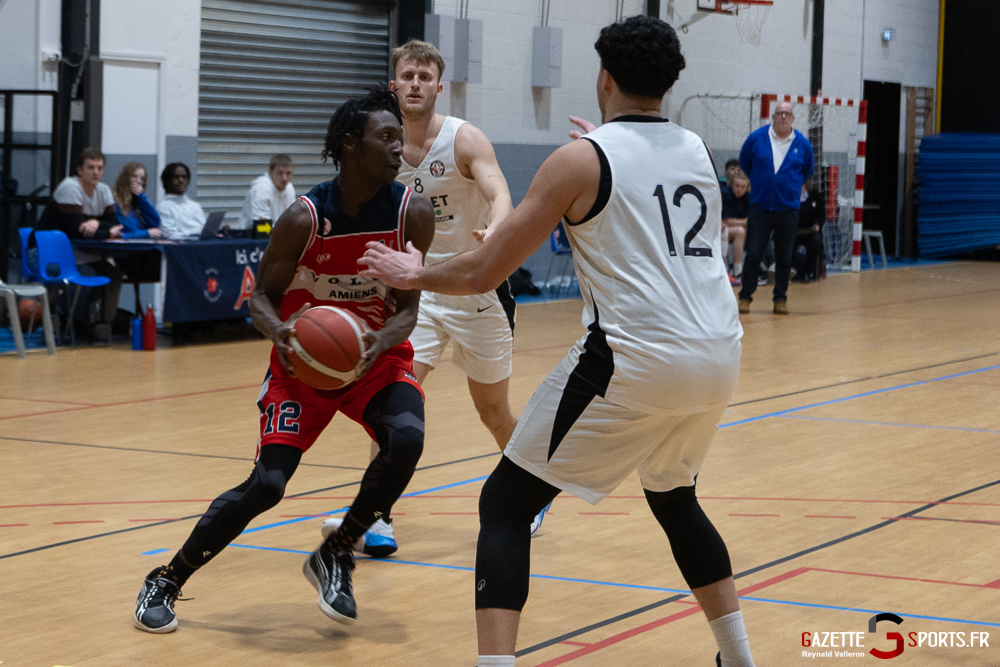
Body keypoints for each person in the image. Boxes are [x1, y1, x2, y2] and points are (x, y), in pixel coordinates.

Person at [361, 16, 755, 667]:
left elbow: (485, 271)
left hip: (636, 357)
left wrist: (414, 273)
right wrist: (597, 156)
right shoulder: (693, 149)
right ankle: (738, 658)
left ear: (604, 79)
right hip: (719, 353)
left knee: (504, 504)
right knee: (674, 496)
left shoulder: (579, 160)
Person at [132, 87, 435, 633]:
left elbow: (409, 311)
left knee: (407, 440)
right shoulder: (304, 218)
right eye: (387, 137)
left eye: (401, 138)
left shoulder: (412, 212)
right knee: (267, 486)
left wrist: (378, 340)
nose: (400, 148)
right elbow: (261, 300)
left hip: (376, 358)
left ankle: (337, 551)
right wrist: (284, 335)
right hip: (303, 368)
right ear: (350, 145)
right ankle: (167, 578)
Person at [344, 39, 535, 555]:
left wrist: (496, 228)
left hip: (475, 287)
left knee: (493, 412)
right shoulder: (379, 143)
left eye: (424, 77)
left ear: (438, 87)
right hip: (417, 291)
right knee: (391, 403)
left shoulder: (464, 139)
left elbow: (499, 192)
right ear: (393, 84)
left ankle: (531, 491)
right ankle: (377, 515)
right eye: (407, 76)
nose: (415, 84)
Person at [736, 101, 814, 315]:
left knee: (784, 257)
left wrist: (787, 187)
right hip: (760, 208)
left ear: (793, 118)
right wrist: (762, 181)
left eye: (787, 113)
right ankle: (745, 297)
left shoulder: (803, 144)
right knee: (753, 254)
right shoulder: (756, 138)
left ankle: (780, 299)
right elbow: (745, 162)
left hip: (788, 210)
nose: (783, 116)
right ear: (773, 116)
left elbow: (807, 172)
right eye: (779, 113)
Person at [51, 147, 124, 340]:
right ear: (80, 170)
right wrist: (107, 231)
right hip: (49, 252)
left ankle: (101, 324)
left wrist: (97, 223)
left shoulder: (103, 190)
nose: (96, 172)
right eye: (91, 167)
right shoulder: (70, 187)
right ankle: (74, 320)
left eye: (100, 168)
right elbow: (76, 231)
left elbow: (116, 225)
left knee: (113, 275)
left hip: (80, 253)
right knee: (87, 274)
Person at [237, 154, 295, 233]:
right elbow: (261, 226)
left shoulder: (289, 188)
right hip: (249, 235)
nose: (284, 178)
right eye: (280, 173)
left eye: (288, 173)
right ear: (270, 172)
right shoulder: (261, 189)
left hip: (277, 235)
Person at [112, 162, 162, 239]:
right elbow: (119, 235)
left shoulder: (139, 202)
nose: (139, 181)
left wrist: (143, 198)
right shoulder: (115, 203)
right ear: (125, 178)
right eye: (134, 176)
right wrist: (146, 233)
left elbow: (155, 223)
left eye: (142, 179)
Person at [157, 163, 207, 238]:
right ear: (167, 181)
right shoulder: (163, 207)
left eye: (184, 177)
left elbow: (205, 231)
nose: (181, 180)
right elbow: (169, 235)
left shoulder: (195, 206)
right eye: (176, 177)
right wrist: (193, 235)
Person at [792, 183, 825, 283]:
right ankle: (793, 271)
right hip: (795, 232)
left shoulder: (814, 195)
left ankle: (809, 272)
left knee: (816, 240)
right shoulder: (790, 194)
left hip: (810, 231)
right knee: (787, 241)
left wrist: (817, 224)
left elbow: (822, 214)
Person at [721, 168, 749, 282]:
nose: (739, 189)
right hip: (719, 229)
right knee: (739, 231)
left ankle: (742, 271)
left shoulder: (747, 197)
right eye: (737, 185)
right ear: (731, 184)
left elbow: (751, 221)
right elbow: (725, 220)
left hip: (736, 230)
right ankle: (736, 272)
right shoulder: (725, 194)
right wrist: (743, 222)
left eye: (743, 187)